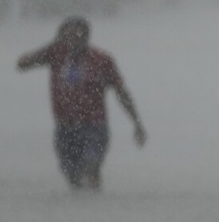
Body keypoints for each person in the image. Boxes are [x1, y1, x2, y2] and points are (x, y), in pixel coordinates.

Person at [17, 15, 146, 190]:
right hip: (65, 128)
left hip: (94, 127)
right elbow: (22, 64)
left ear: (86, 36)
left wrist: (136, 123)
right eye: (67, 36)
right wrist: (53, 43)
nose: (72, 41)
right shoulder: (56, 54)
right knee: (73, 178)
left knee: (91, 167)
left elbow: (121, 92)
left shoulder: (102, 60)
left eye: (77, 35)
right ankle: (80, 213)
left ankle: (96, 209)